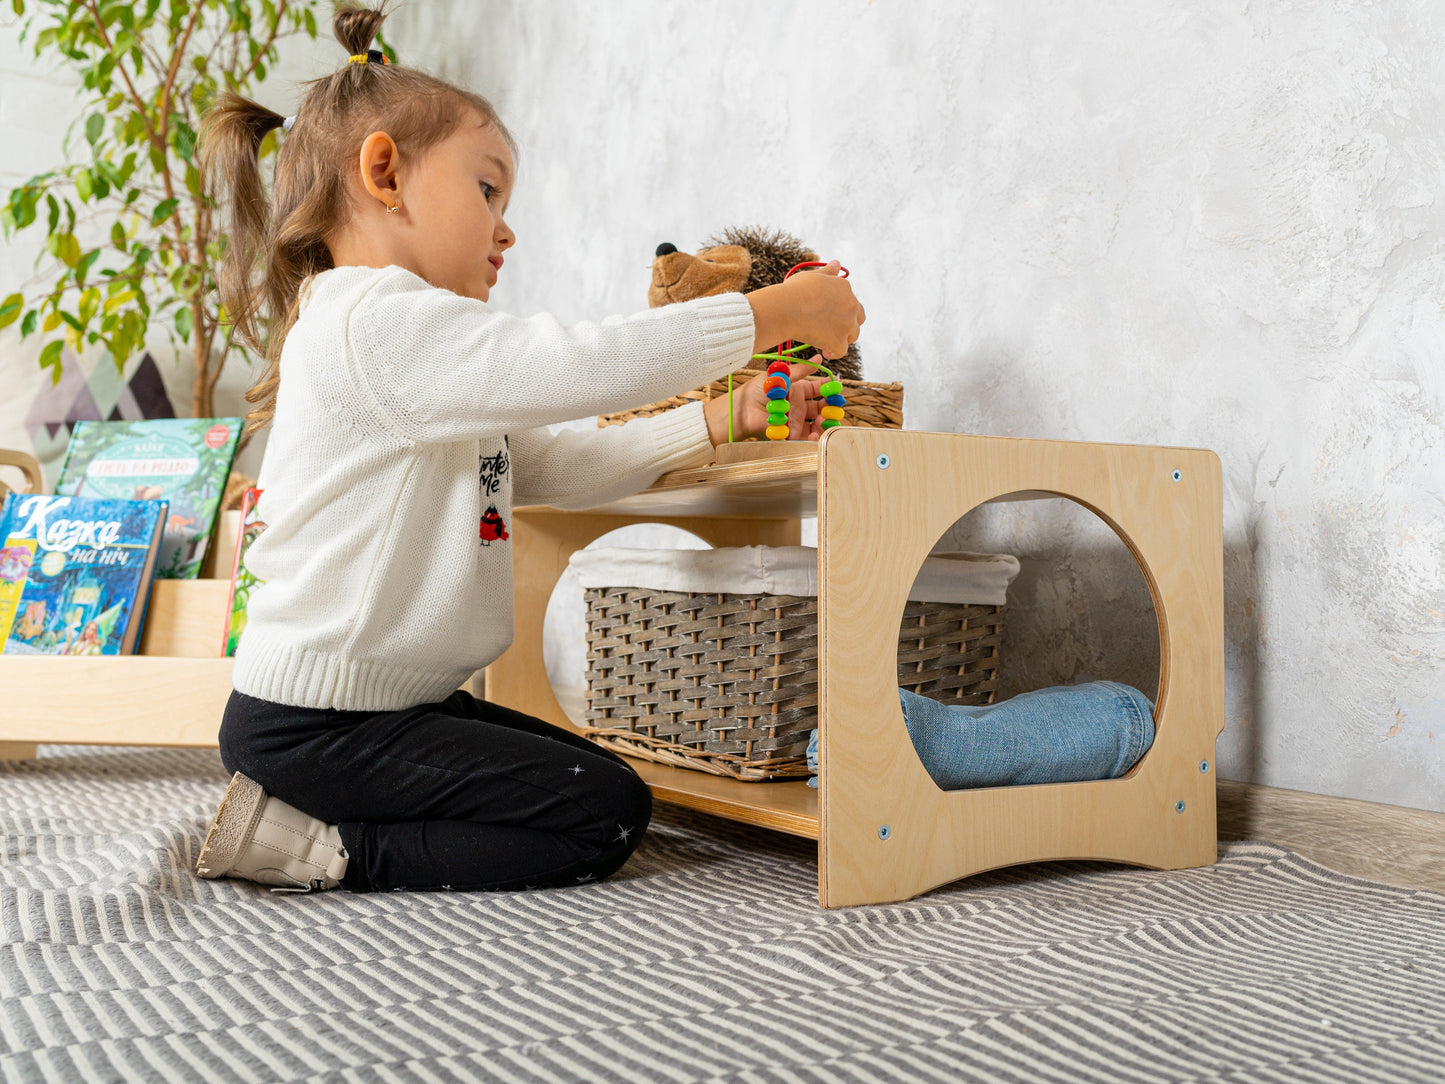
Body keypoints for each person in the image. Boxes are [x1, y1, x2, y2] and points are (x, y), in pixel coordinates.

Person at [192, 2, 864, 895]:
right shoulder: (371, 319)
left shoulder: (408, 343)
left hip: (375, 706)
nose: (506, 230)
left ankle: (324, 814)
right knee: (605, 809)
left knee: (598, 778)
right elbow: (574, 363)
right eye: (486, 190)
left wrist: (712, 421)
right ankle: (321, 850)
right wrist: (770, 314)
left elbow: (537, 467)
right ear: (384, 173)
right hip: (320, 720)